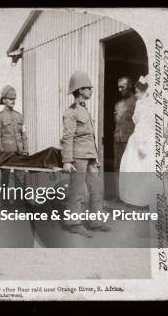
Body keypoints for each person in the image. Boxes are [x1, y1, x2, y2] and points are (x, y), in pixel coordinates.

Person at [61, 71, 110, 237]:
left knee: (96, 189)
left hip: (89, 157)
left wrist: (95, 158)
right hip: (77, 157)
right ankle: (73, 223)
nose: (91, 90)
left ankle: (95, 222)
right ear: (80, 90)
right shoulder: (71, 112)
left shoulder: (85, 110)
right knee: (77, 191)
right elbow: (67, 137)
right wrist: (67, 160)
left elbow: (90, 137)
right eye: (89, 88)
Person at [119, 75, 154, 207]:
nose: (136, 94)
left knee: (144, 167)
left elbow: (145, 123)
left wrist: (143, 142)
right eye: (136, 92)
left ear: (145, 92)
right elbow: (136, 121)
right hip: (138, 135)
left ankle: (144, 199)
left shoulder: (149, 105)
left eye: (138, 92)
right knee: (132, 166)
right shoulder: (139, 103)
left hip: (145, 136)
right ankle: (135, 198)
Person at [0, 85, 28, 199]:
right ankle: (5, 202)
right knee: (5, 180)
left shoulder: (19, 116)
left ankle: (20, 203)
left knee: (20, 179)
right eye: (10, 99)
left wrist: (25, 150)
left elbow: (24, 135)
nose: (13, 101)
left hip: (19, 153)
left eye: (14, 99)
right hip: (5, 155)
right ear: (4, 100)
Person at [113, 76, 136, 200]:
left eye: (122, 86)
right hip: (117, 140)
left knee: (130, 167)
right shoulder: (118, 104)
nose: (119, 89)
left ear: (130, 86)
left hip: (131, 140)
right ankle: (119, 195)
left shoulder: (137, 101)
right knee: (117, 167)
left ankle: (130, 196)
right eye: (118, 87)